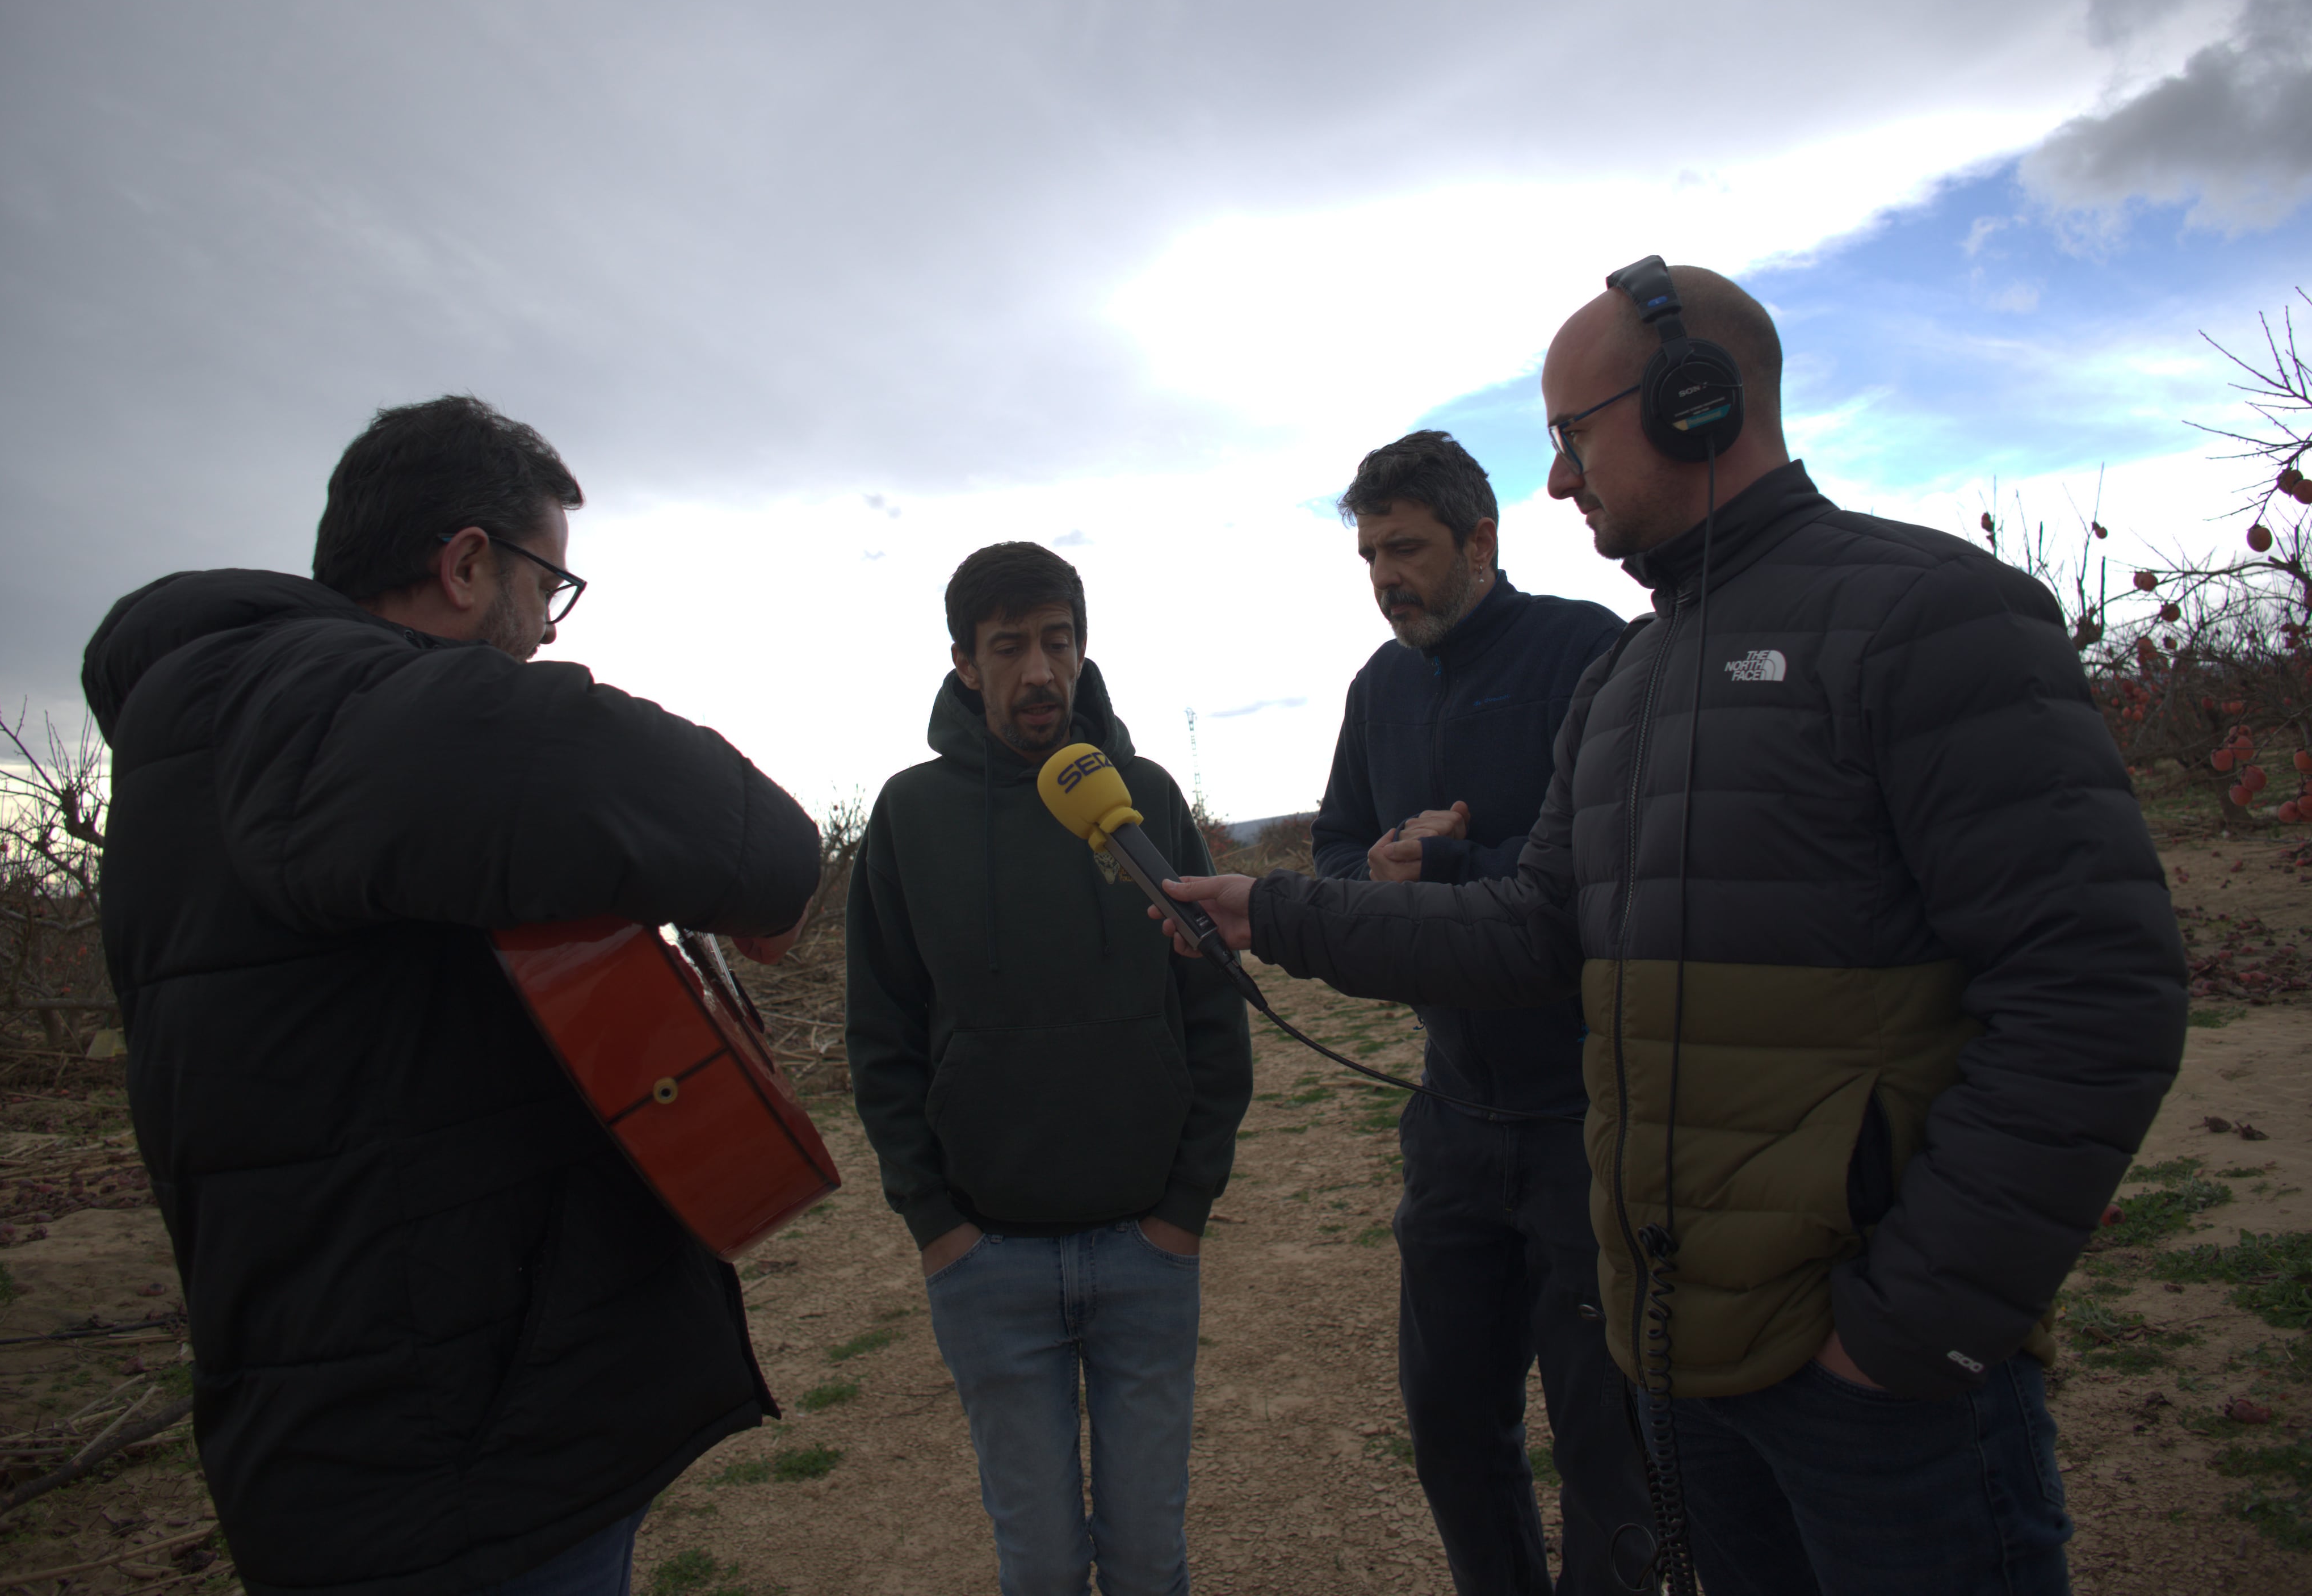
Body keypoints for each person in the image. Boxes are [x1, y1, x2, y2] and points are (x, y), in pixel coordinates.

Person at [1154, 265, 2185, 1594]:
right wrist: (1273, 908)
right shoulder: (1635, 679)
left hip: (1874, 1385)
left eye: (1572, 439)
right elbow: (1536, 933)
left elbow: (2095, 993)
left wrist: (1907, 1333)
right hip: (1688, 1355)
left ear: (1696, 405)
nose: (1561, 484)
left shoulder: (1930, 613)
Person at [81, 396, 820, 1596]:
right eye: (548, 587)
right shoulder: (318, 703)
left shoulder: (221, 738)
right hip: (452, 1474)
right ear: (468, 564)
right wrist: (767, 879)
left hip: (379, 1435)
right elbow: (745, 839)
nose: (542, 630)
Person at [844, 541, 1252, 1596]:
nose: (1040, 672)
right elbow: (881, 1037)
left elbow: (1212, 1014)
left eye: (1058, 642)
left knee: (1150, 1560)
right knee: (1039, 1568)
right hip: (990, 1269)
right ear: (964, 663)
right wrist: (937, 1227)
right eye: (1010, 647)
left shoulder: (1145, 798)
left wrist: (1185, 1209)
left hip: (1145, 1255)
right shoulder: (909, 817)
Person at [1315, 430, 1640, 1595]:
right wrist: (1389, 869)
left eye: (1404, 549)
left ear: (1481, 541)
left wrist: (1449, 873)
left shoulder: (1585, 655)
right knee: (1452, 1429)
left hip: (1586, 1116)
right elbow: (1339, 850)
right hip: (1451, 1115)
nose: (1384, 578)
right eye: (1368, 556)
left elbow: (1607, 869)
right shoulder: (1380, 685)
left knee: (1610, 1445)